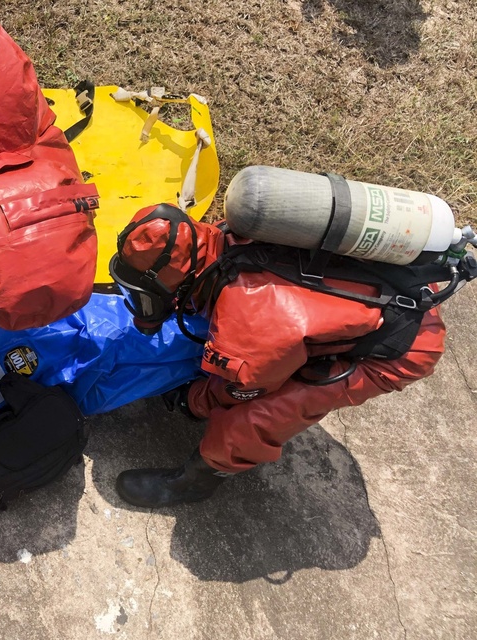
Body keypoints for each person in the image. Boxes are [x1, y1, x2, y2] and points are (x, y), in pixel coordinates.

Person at [107, 203, 450, 507]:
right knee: (256, 360)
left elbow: (236, 391)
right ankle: (314, 345)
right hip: (386, 285)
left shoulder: (249, 325)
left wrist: (191, 401)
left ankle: (196, 482)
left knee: (256, 417)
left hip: (404, 344)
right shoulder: (228, 234)